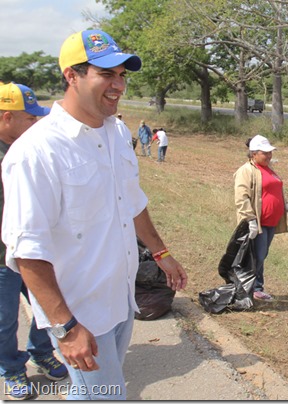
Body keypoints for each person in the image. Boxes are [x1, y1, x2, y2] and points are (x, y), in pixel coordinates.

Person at [1, 29, 188, 400]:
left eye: (122, 75)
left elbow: (132, 202)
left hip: (120, 300)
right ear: (72, 75)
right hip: (81, 311)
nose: (118, 84)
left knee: (92, 396)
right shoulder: (37, 151)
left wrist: (162, 254)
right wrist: (66, 328)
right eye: (106, 74)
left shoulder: (116, 132)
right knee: (105, 396)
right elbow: (27, 249)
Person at [0, 83, 68, 399]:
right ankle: (12, 370)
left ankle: (41, 352)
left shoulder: (32, 148)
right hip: (3, 259)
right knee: (4, 321)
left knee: (48, 306)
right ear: (6, 117)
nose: (35, 124)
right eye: (29, 118)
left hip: (38, 251)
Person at [233, 134, 288, 301]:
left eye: (270, 153)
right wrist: (250, 219)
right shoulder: (246, 171)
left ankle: (256, 287)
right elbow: (241, 197)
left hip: (270, 222)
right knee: (257, 256)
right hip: (257, 223)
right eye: (265, 153)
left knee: (262, 255)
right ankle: (252, 288)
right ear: (254, 154)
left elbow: (276, 189)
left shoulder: (268, 169)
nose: (269, 156)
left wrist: (285, 206)